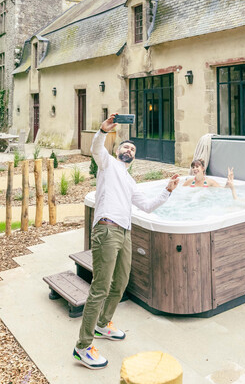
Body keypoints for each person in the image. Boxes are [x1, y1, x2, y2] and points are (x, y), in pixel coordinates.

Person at [73, 113, 179, 369]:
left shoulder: (130, 181)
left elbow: (147, 206)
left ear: (134, 157)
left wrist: (168, 190)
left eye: (132, 148)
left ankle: (102, 324)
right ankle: (82, 347)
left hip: (125, 233)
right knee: (101, 287)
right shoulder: (107, 164)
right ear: (118, 151)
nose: (129, 149)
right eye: (125, 146)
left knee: (120, 283)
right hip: (107, 230)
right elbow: (96, 148)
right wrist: (103, 130)